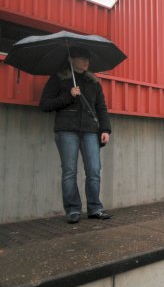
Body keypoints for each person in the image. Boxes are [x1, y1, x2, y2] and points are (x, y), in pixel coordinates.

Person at [39, 47, 112, 224]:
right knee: (69, 171)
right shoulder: (59, 78)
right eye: (82, 57)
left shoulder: (94, 81)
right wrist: (68, 95)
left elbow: (101, 108)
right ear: (71, 59)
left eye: (88, 58)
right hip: (66, 130)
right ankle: (73, 210)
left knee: (94, 170)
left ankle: (95, 208)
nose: (86, 61)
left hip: (90, 131)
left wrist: (105, 129)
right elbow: (44, 104)